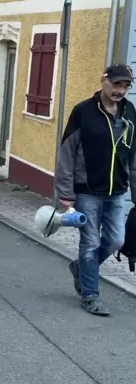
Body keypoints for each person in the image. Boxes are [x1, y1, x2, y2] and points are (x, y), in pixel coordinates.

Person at [56, 64, 136, 317]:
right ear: (104, 81)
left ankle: (81, 268)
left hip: (117, 191)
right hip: (87, 190)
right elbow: (66, 154)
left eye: (125, 86)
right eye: (116, 84)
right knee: (90, 243)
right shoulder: (83, 112)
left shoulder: (130, 113)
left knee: (115, 241)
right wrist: (65, 193)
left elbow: (133, 157)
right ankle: (90, 294)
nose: (120, 90)